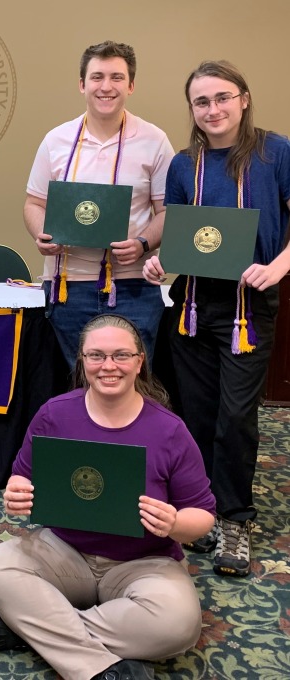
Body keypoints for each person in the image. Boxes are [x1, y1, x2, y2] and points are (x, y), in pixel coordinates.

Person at [0, 314, 216, 680]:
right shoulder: (54, 415)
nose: (108, 366)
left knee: (178, 625)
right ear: (82, 361)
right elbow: (22, 477)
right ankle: (90, 659)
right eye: (96, 356)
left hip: (144, 562)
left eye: (121, 355)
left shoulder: (170, 430)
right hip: (64, 552)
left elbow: (203, 517)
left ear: (139, 362)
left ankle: (27, 627)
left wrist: (174, 523)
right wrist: (16, 494)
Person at [143, 61, 290, 578]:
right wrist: (159, 262)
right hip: (192, 308)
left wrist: (278, 267)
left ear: (244, 99)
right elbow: (180, 236)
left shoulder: (276, 153)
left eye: (223, 97)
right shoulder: (185, 166)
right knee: (197, 418)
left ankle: (235, 518)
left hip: (248, 310)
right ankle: (199, 513)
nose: (213, 109)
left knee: (234, 420)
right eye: (201, 102)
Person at [24, 41, 174, 370]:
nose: (106, 87)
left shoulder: (155, 140)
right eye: (97, 77)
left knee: (133, 384)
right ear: (82, 84)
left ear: (131, 85)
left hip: (133, 286)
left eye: (117, 77)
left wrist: (143, 243)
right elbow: (34, 203)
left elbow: (168, 212)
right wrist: (42, 235)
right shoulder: (56, 140)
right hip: (68, 286)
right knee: (77, 385)